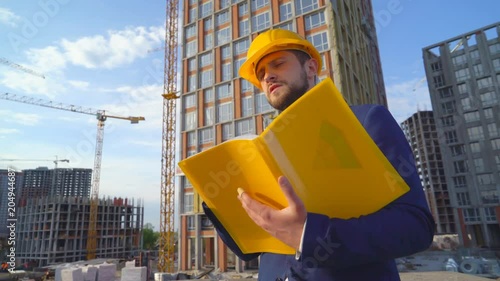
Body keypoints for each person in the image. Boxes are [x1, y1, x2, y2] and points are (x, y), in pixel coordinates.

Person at [203, 29, 435, 281]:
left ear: (311, 67)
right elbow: (251, 249)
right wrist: (218, 200)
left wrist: (307, 234)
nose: (268, 76)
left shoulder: (365, 122)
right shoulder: (262, 153)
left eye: (278, 63)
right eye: (260, 74)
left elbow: (415, 226)